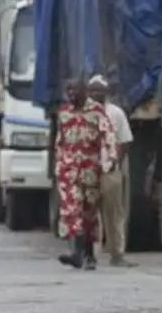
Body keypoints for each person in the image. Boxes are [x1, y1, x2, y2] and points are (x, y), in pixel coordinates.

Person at [54, 77, 117, 271]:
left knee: (89, 214)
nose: (71, 95)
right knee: (73, 212)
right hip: (69, 171)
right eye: (68, 91)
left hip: (90, 171)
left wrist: (112, 158)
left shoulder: (97, 112)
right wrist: (57, 165)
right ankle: (76, 254)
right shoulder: (63, 113)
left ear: (84, 91)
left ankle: (89, 255)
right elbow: (60, 141)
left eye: (75, 90)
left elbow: (109, 135)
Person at [86, 75, 135, 267]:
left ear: (106, 93)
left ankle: (117, 254)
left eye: (99, 90)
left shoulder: (115, 113)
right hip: (87, 170)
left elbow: (126, 141)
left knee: (114, 213)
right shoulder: (83, 113)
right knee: (89, 214)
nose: (96, 94)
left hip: (110, 170)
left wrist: (115, 161)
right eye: (92, 90)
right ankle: (91, 254)